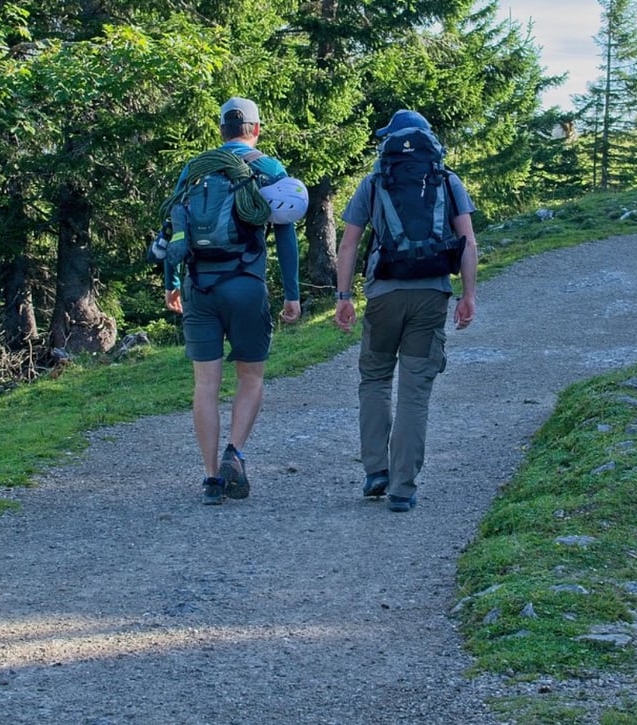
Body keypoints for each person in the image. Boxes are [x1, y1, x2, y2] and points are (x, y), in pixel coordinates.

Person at [333, 109, 478, 513]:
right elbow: (467, 242)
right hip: (432, 293)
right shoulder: (447, 180)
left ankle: (376, 470)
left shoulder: (375, 182)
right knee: (415, 392)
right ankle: (402, 488)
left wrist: (343, 297)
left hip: (383, 295)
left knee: (375, 379)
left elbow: (348, 245)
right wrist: (468, 295)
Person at [164, 96, 303, 505]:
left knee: (205, 385)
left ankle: (210, 480)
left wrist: (172, 282)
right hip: (245, 284)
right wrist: (291, 294)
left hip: (199, 287)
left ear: (221, 130)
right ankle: (235, 453)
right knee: (251, 376)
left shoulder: (196, 169)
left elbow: (174, 226)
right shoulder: (267, 168)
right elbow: (286, 232)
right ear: (256, 129)